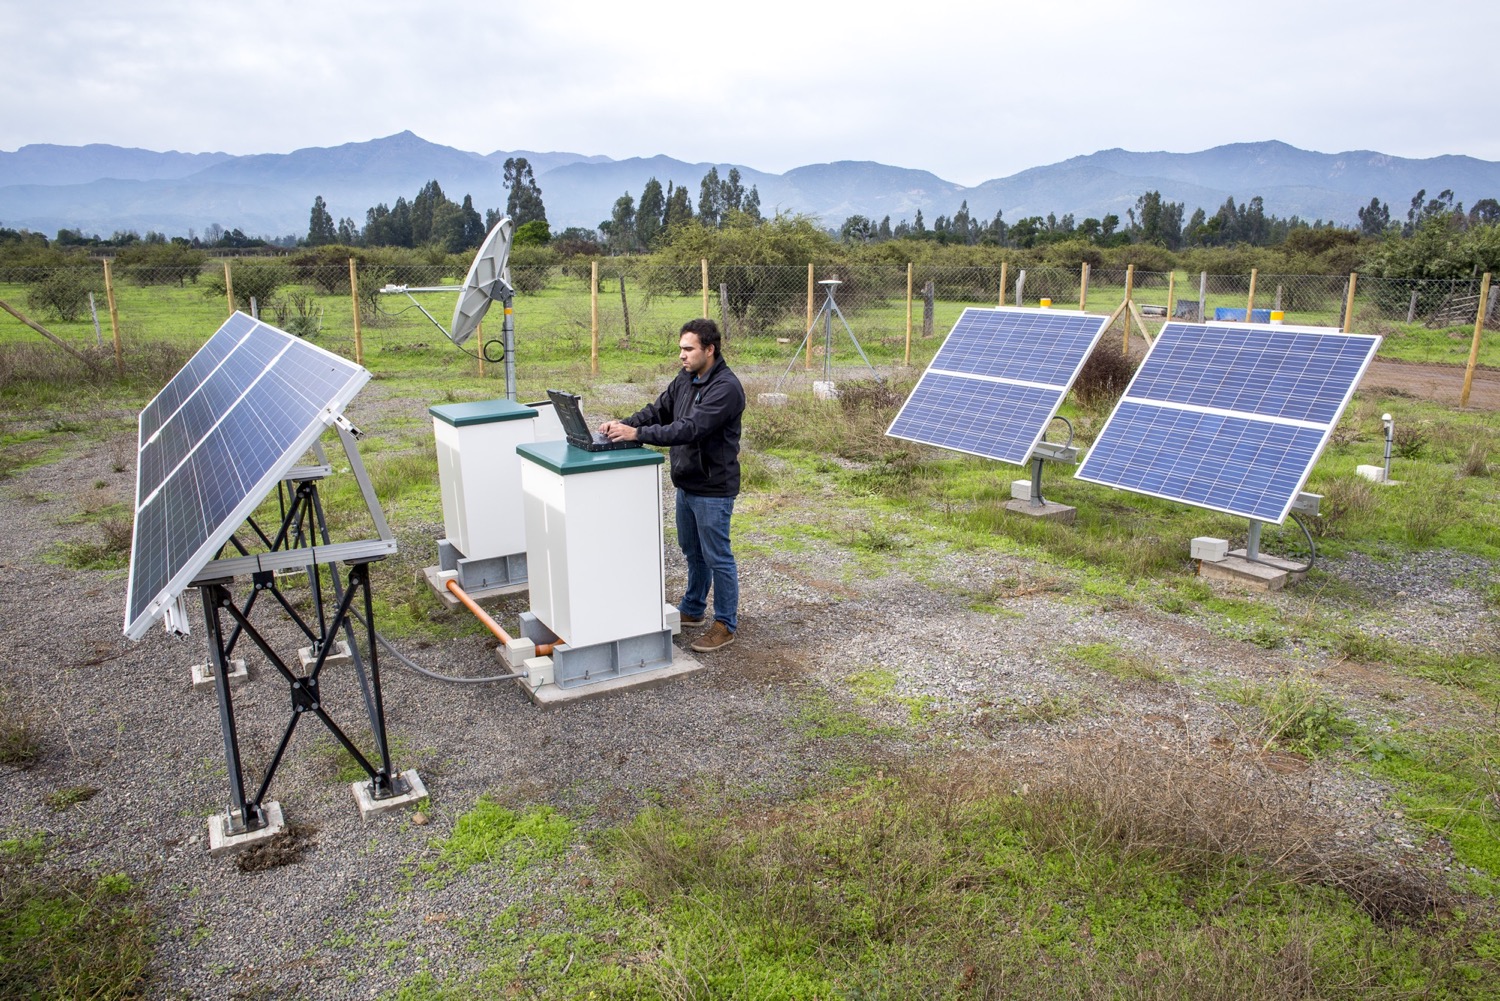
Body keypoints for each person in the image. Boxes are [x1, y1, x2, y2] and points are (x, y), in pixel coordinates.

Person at [600, 318, 745, 653]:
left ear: (709, 349)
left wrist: (638, 435)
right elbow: (660, 410)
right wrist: (626, 424)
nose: (682, 355)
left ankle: (725, 624)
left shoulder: (725, 388)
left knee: (718, 556)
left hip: (713, 488)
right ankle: (693, 610)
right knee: (693, 552)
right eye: (680, 349)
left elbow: (689, 428)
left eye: (688, 349)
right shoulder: (686, 378)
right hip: (687, 482)